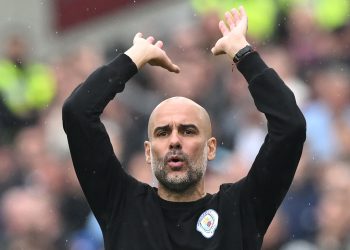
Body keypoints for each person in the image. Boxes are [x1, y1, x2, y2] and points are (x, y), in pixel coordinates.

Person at [62, 6, 306, 250]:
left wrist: (244, 55)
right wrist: (133, 58)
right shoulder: (122, 205)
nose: (174, 141)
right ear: (147, 151)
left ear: (211, 148)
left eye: (188, 131)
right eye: (163, 132)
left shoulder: (238, 210)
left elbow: (290, 126)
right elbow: (78, 113)